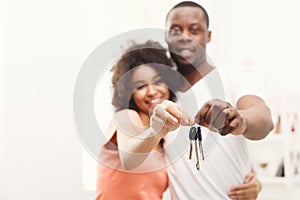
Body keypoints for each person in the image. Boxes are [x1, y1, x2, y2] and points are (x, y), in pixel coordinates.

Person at [117, 1, 273, 200]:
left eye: (194, 30)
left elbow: (264, 120)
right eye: (175, 30)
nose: (184, 37)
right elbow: (131, 155)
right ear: (167, 38)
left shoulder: (233, 79)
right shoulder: (161, 94)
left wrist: (240, 120)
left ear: (208, 36)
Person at [95, 40, 190, 200]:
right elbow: (129, 159)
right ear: (128, 93)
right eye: (140, 86)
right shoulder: (127, 117)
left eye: (158, 81)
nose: (152, 91)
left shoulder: (165, 140)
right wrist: (156, 131)